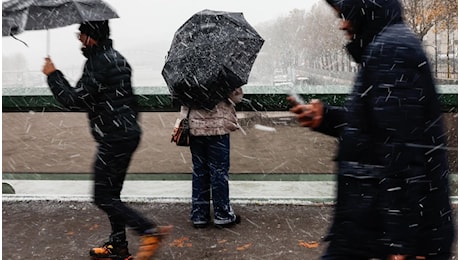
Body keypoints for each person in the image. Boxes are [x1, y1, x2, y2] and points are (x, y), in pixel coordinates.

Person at [288, 0, 454, 259]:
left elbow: (404, 151)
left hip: (377, 232)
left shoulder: (390, 51)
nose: (342, 24)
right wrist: (326, 118)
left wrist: (403, 242)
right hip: (370, 227)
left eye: (344, 14)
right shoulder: (387, 46)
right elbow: (381, 131)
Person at [42, 20, 172, 260]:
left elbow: (75, 100)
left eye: (81, 34)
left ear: (91, 36)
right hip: (126, 133)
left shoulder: (98, 63)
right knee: (112, 194)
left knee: (102, 196)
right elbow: (124, 99)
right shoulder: (116, 58)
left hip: (114, 137)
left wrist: (53, 76)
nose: (79, 39)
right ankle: (118, 244)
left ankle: (148, 230)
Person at [178, 87, 243, 229]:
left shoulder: (186, 73)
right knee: (219, 171)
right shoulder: (221, 72)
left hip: (195, 128)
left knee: (200, 171)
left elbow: (181, 98)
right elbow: (236, 97)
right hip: (218, 128)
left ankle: (200, 215)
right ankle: (222, 215)